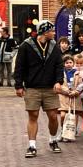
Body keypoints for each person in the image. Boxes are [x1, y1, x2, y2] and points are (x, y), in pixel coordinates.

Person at [14, 20, 65, 158]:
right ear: (44, 32)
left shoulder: (54, 46)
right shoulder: (26, 46)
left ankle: (53, 140)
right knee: (33, 116)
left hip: (50, 88)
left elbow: (59, 65)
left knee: (53, 116)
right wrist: (19, 85)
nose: (54, 33)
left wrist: (59, 81)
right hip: (32, 87)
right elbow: (19, 66)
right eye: (52, 31)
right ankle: (32, 146)